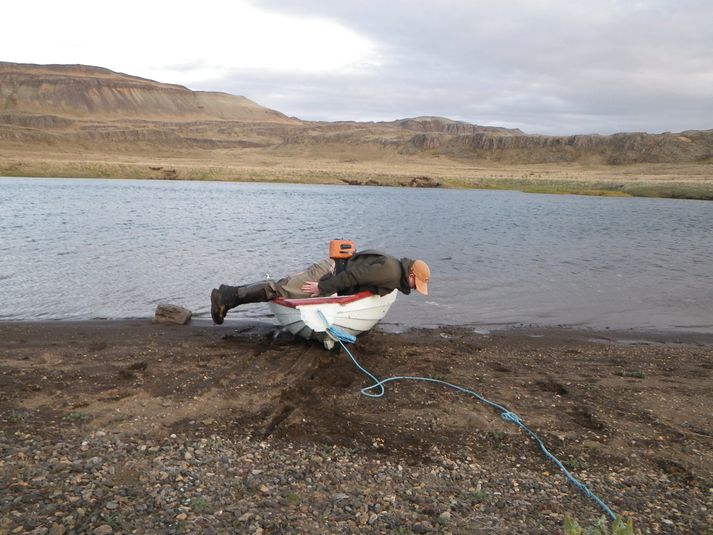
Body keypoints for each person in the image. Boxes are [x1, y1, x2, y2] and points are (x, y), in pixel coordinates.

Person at [210, 249, 430, 325]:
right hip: (329, 273)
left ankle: (226, 292)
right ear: (411, 274)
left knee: (283, 285)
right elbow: (352, 276)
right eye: (415, 283)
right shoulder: (390, 272)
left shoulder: (393, 271)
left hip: (332, 271)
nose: (413, 287)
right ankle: (226, 297)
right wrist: (321, 286)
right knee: (280, 290)